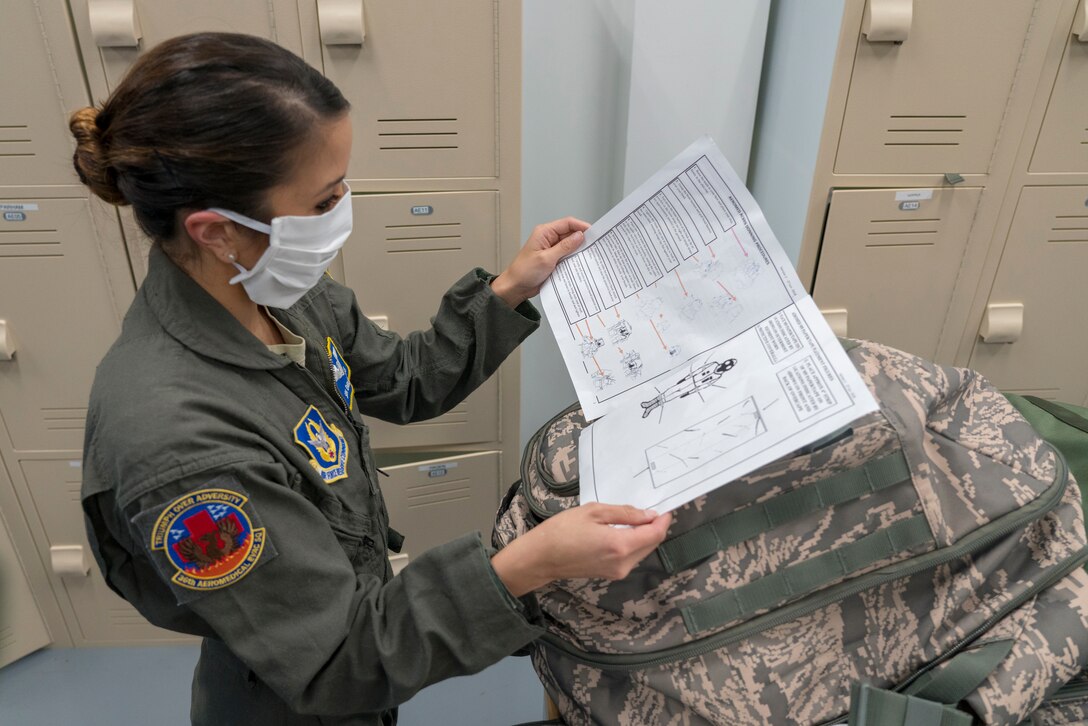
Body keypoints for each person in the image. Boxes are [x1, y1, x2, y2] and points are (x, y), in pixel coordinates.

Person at [72, 32, 672, 725]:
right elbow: (334, 664)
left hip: (339, 633)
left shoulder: (272, 289)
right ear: (216, 230)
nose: (344, 211)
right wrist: (526, 565)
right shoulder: (180, 450)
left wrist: (508, 289)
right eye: (325, 200)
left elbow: (404, 379)